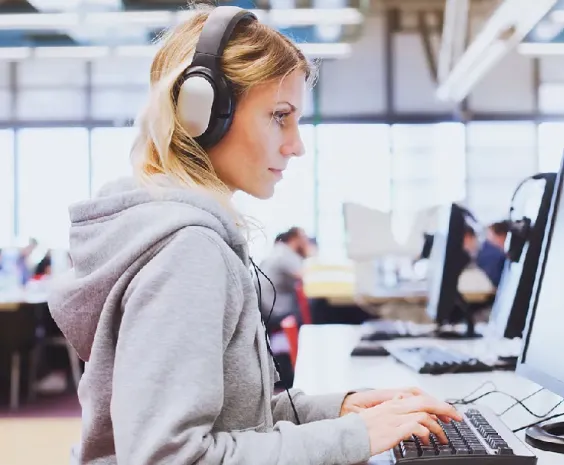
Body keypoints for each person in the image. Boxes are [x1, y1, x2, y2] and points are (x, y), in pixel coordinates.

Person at [48, 5, 460, 465]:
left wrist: (342, 411)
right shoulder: (187, 252)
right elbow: (167, 458)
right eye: (279, 116)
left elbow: (237, 420)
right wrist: (355, 437)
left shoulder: (181, 236)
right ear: (202, 114)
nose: (296, 144)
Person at [259, 226, 309, 332]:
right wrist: (308, 252)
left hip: (266, 306)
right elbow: (304, 275)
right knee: (318, 307)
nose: (306, 241)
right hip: (276, 309)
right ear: (295, 239)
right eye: (304, 237)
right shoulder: (285, 253)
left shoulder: (279, 250)